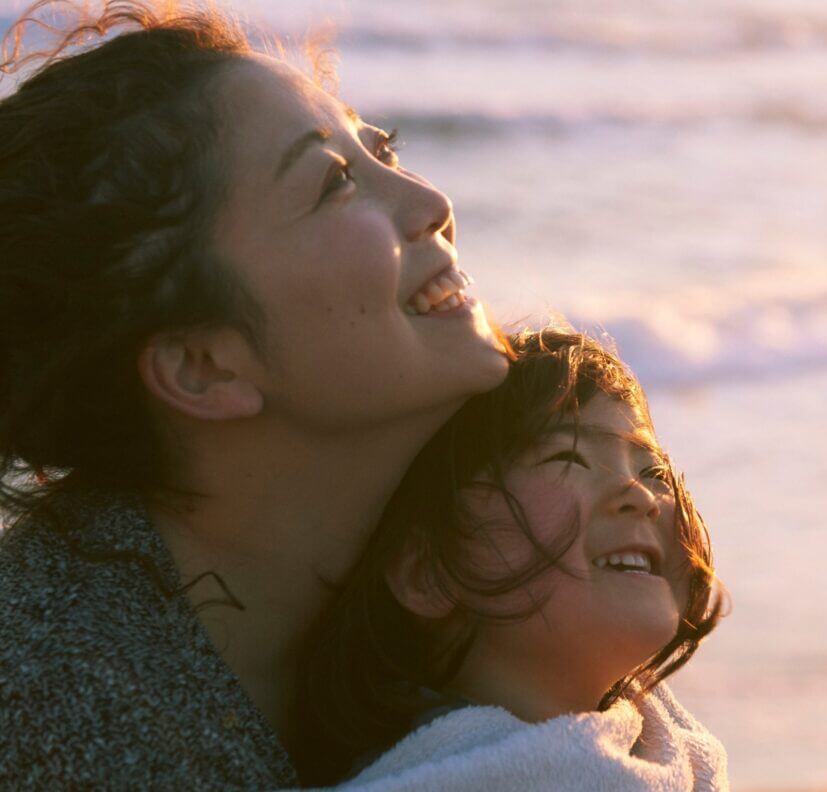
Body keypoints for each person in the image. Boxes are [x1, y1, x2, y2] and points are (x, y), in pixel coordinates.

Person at [0, 1, 508, 787]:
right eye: (335, 182)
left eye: (384, 150)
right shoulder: (58, 715)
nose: (431, 205)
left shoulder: (467, 596)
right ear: (204, 367)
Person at [295, 328, 729, 789]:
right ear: (428, 572)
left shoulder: (671, 755)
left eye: (654, 470)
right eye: (568, 457)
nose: (641, 495)